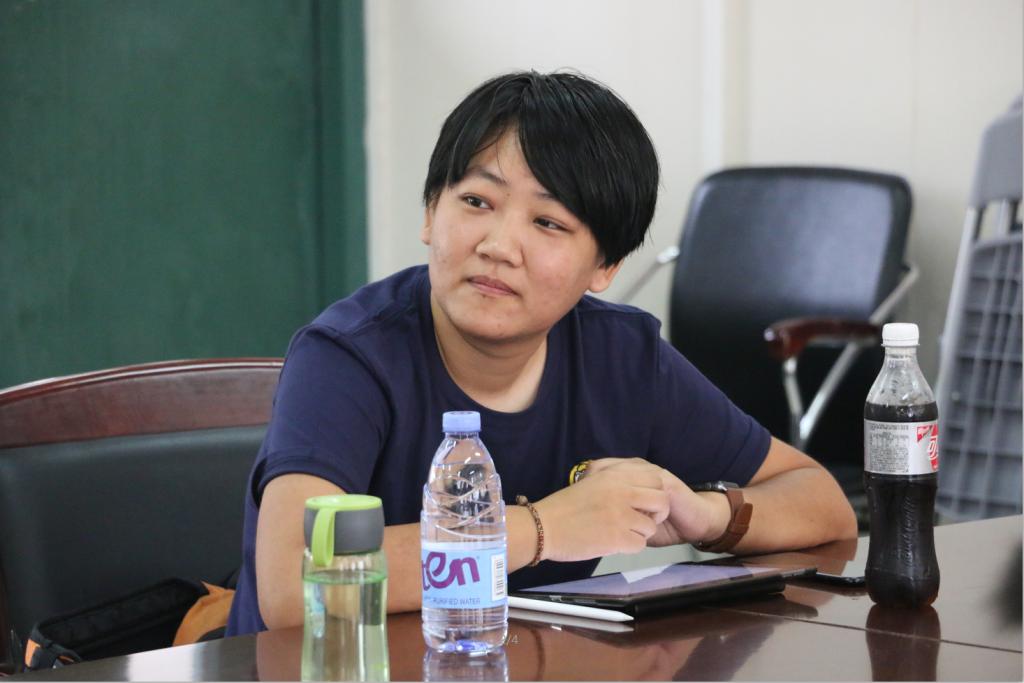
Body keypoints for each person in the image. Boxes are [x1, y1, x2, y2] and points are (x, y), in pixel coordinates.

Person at [226, 70, 857, 636]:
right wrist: (544, 528)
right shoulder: (348, 356)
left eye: (548, 223)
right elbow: (294, 585)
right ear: (430, 212)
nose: (499, 246)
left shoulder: (622, 357)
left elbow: (823, 505)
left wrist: (704, 514)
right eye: (477, 202)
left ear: (605, 266)